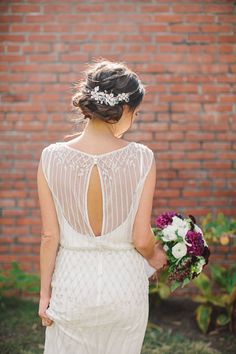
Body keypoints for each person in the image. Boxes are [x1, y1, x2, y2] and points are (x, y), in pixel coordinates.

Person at [37, 58, 168, 354]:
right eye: (135, 112)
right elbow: (141, 239)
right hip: (124, 290)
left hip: (72, 286)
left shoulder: (50, 157)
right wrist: (159, 257)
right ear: (124, 109)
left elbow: (49, 237)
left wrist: (45, 294)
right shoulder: (142, 158)